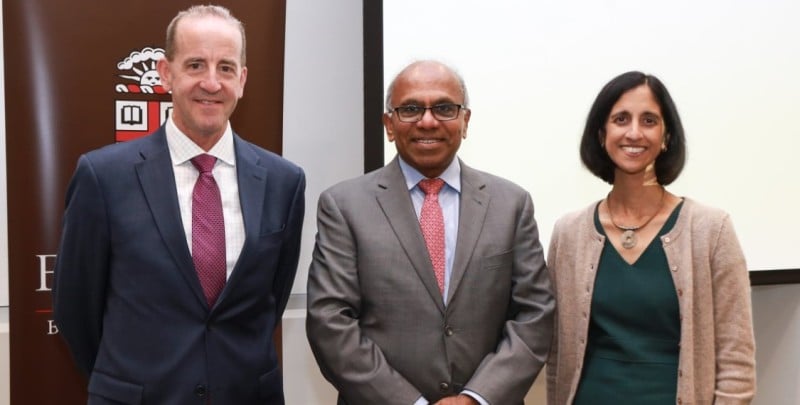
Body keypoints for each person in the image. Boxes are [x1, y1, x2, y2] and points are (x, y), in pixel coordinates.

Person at [52, 5, 305, 404]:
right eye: (195, 65)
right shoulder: (104, 177)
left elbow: (269, 301)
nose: (211, 82)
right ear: (166, 73)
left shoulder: (283, 182)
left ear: (242, 80)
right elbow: (75, 309)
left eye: (225, 68)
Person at [306, 60, 554, 405]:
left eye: (444, 108)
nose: (427, 121)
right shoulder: (343, 206)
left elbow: (534, 315)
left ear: (465, 121)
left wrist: (476, 398)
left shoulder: (511, 204)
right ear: (389, 125)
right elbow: (330, 323)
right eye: (410, 109)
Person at [546, 71, 756, 404]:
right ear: (602, 134)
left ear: (666, 136)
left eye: (648, 120)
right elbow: (557, 356)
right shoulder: (569, 234)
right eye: (620, 119)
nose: (634, 133)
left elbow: (737, 363)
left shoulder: (711, 229)